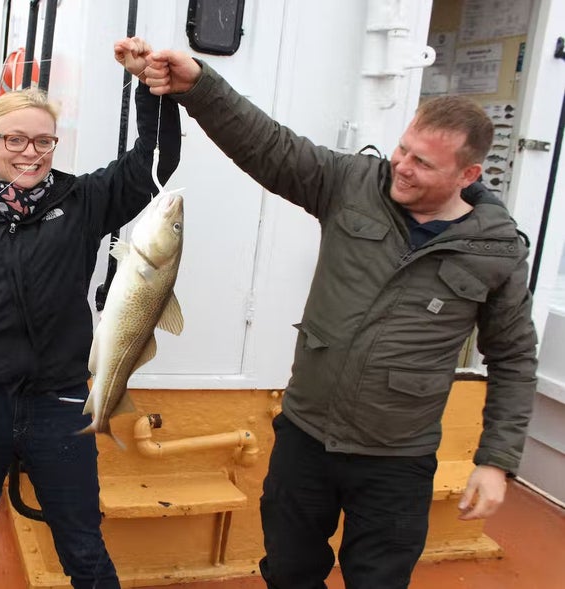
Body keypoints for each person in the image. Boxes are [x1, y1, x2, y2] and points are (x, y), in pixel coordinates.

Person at [142, 51, 537, 588]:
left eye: (424, 163)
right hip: (307, 438)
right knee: (288, 572)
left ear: (468, 174)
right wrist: (199, 86)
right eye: (404, 148)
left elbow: (513, 358)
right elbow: (269, 145)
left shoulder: (496, 249)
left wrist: (496, 461)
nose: (402, 165)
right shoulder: (353, 183)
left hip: (398, 459)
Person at [0, 37, 181, 588]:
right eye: (16, 140)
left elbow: (155, 163)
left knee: (84, 547)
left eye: (43, 142)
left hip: (60, 403)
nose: (31, 153)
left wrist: (151, 87)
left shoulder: (79, 201)